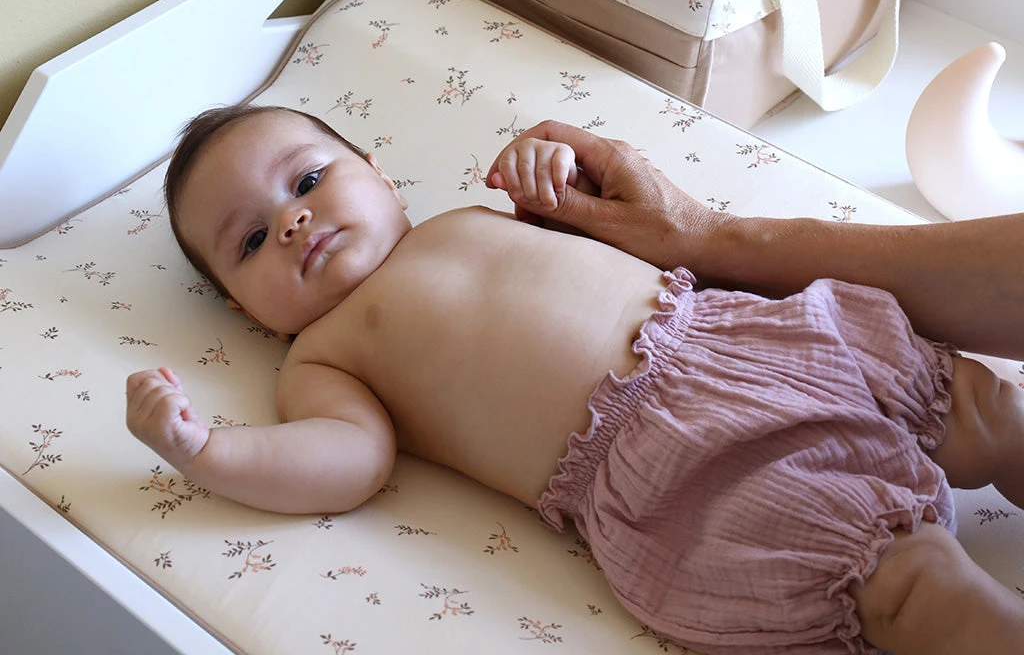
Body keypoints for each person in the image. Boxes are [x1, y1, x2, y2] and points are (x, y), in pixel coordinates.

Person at [126, 107, 1024, 655]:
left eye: (310, 178)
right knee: (908, 585)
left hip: (736, 336)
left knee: (985, 410)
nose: (293, 221)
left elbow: (599, 233)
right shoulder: (323, 356)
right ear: (244, 308)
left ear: (382, 175)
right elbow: (348, 461)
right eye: (251, 240)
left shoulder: (462, 220)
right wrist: (207, 451)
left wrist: (549, 177)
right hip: (679, 469)